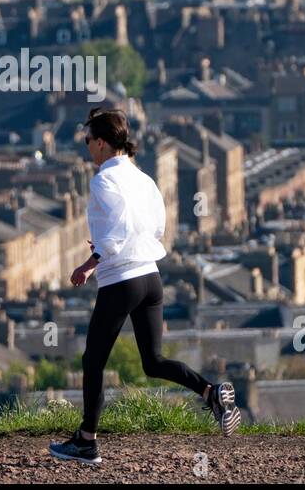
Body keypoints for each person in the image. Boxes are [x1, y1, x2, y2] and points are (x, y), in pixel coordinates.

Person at [49, 108, 240, 465]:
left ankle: (86, 442)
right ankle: (210, 391)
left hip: (121, 280)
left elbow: (119, 226)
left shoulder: (103, 180)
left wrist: (92, 262)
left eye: (88, 140)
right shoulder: (143, 178)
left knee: (93, 361)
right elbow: (154, 226)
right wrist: (116, 248)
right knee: (153, 361)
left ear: (102, 143)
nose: (87, 147)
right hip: (150, 277)